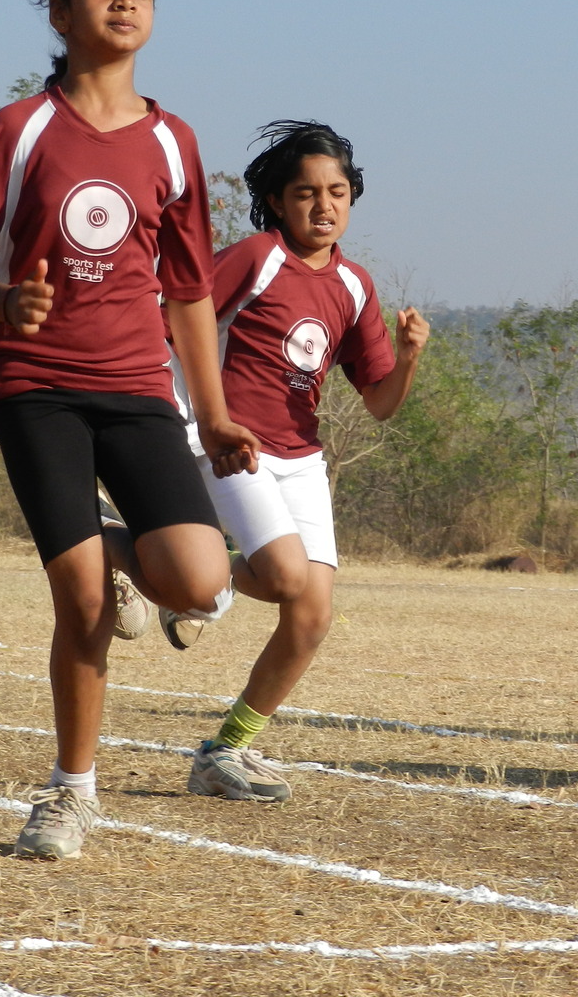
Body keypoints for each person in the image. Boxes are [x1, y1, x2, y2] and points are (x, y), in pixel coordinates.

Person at [0, 0, 259, 861]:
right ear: (59, 12)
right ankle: (70, 795)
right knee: (81, 601)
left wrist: (215, 412)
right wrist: (5, 302)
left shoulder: (173, 143)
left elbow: (188, 292)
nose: (124, 0)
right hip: (36, 388)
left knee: (199, 583)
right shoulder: (18, 130)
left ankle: (109, 550)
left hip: (139, 390)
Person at [176, 120, 430, 803]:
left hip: (301, 457)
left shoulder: (353, 285)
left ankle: (223, 752)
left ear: (352, 198)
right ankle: (169, 572)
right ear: (278, 202)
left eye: (337, 192)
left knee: (312, 616)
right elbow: (180, 317)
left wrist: (408, 358)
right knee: (286, 577)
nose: (324, 205)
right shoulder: (257, 257)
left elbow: (380, 403)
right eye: (306, 192)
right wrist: (191, 409)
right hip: (232, 444)